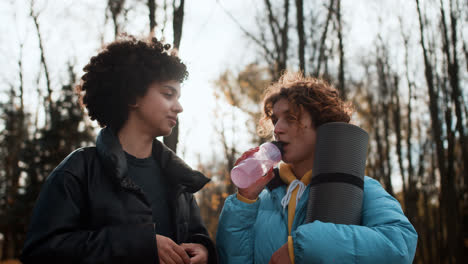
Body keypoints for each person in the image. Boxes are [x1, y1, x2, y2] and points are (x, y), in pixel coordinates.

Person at [21, 34, 217, 264]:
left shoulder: (179, 178)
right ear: (133, 95)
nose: (179, 107)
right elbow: (41, 252)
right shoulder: (78, 171)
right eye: (168, 94)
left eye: (179, 97)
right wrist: (138, 245)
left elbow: (197, 236)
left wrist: (204, 250)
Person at [216, 72, 417, 264]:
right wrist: (244, 201)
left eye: (291, 118)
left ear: (322, 125)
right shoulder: (261, 197)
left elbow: (399, 245)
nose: (277, 129)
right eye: (275, 120)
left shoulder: (359, 188)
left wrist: (301, 249)